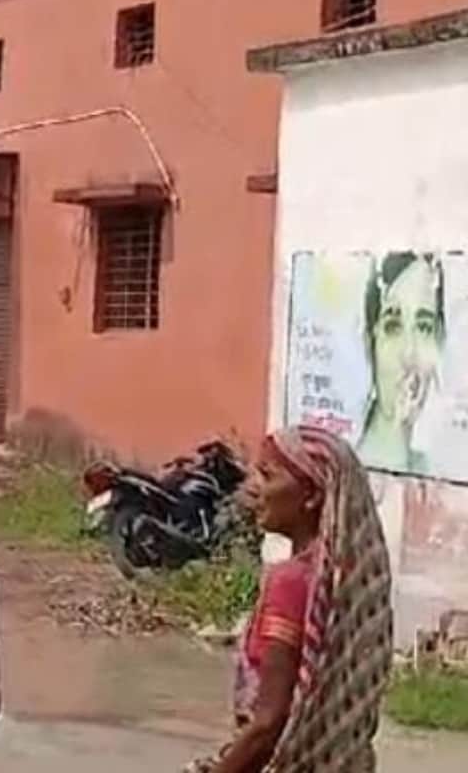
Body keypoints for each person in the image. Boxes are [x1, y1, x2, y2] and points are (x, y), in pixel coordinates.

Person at [185, 426, 393, 773]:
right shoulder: (342, 584)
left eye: (267, 476)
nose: (254, 488)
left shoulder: (290, 582)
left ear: (310, 495)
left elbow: (268, 724)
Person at [357, 252, 443, 474]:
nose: (409, 353)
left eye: (424, 327)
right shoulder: (353, 474)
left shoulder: (426, 468)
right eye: (393, 327)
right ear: (370, 343)